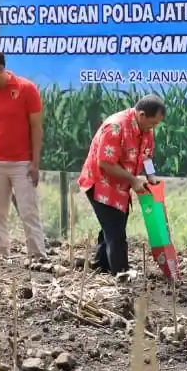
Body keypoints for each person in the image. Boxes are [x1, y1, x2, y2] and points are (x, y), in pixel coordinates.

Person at [0, 48, 46, 259]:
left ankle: (38, 256)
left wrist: (35, 163)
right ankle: (0, 256)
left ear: (1, 68)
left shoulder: (26, 89)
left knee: (28, 211)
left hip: (23, 163)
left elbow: (36, 128)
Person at [77, 94, 165, 275]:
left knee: (112, 225)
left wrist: (151, 177)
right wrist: (133, 180)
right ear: (141, 115)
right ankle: (121, 272)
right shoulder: (116, 127)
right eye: (153, 123)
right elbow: (105, 163)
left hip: (120, 185)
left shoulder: (146, 130)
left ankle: (102, 264)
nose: (153, 127)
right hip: (100, 183)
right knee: (115, 230)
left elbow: (147, 156)